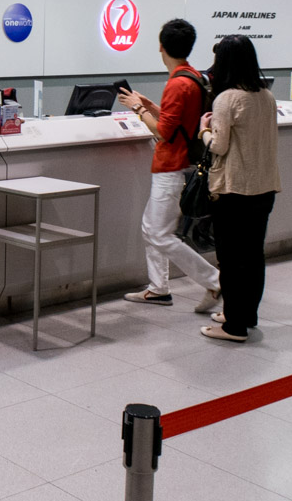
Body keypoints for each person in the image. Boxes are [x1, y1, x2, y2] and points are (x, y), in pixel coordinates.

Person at [118, 18, 221, 312]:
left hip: (170, 166)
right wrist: (152, 107)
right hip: (181, 163)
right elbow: (178, 122)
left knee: (158, 233)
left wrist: (137, 108)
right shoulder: (194, 77)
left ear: (161, 46)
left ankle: (213, 279)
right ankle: (158, 287)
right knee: (151, 227)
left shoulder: (177, 84)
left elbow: (163, 132)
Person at [197, 35, 281, 342]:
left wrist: (204, 130)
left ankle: (233, 326)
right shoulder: (266, 96)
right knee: (253, 255)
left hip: (233, 190)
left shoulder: (227, 99)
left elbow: (218, 146)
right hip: (264, 188)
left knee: (231, 259)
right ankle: (246, 315)